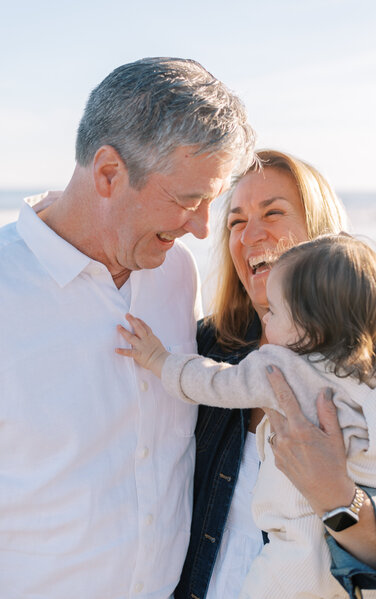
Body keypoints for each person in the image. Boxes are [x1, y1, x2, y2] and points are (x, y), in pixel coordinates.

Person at [0, 57, 255, 599]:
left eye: (212, 202)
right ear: (109, 173)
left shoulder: (175, 272)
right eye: (188, 200)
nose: (203, 227)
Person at [166, 149, 376, 599]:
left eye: (273, 212)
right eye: (235, 221)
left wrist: (335, 495)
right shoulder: (204, 348)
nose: (250, 234)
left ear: (321, 235)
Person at [118, 233, 376, 599]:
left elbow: (216, 382)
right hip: (361, 530)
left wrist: (159, 361)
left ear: (310, 326)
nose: (266, 320)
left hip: (298, 533)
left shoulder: (282, 365)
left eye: (273, 312)